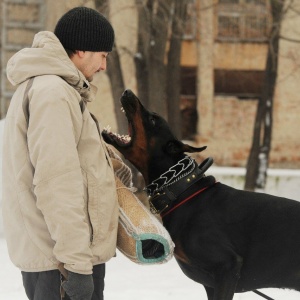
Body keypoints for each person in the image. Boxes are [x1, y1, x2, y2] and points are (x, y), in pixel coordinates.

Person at [2, 6, 127, 300]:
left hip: (58, 256)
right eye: (103, 56)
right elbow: (56, 183)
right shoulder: (53, 93)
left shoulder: (52, 89)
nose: (104, 66)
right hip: (61, 262)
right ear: (82, 50)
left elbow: (74, 169)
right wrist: (77, 266)